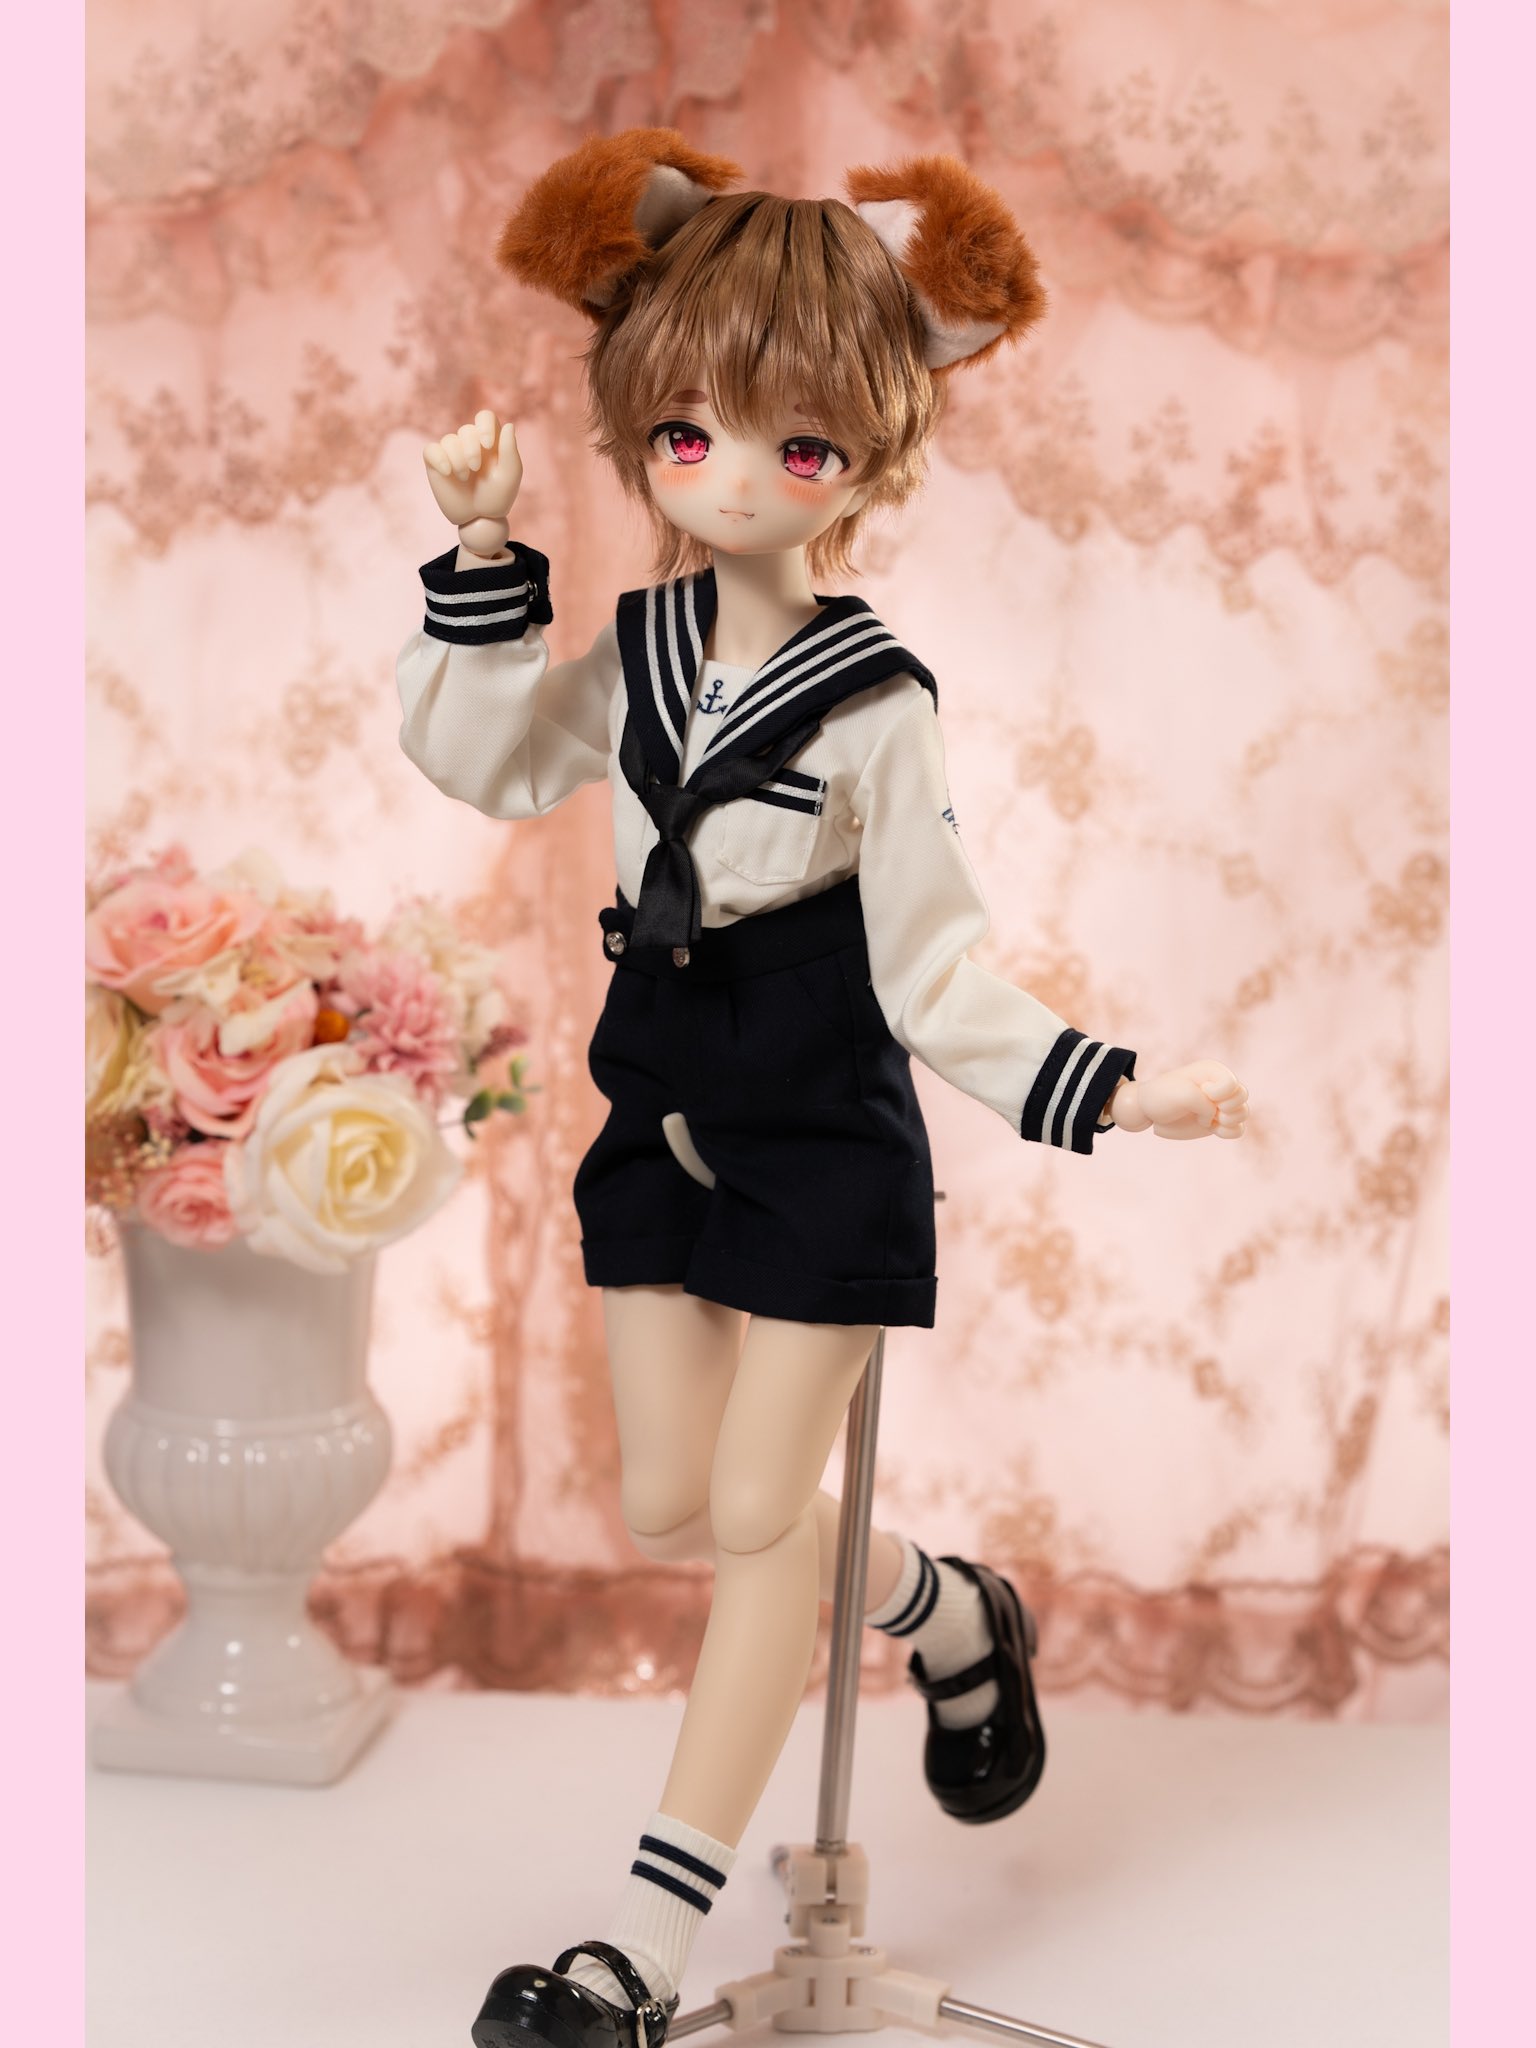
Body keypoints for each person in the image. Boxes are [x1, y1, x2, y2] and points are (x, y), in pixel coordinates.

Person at [395, 129, 1249, 2048]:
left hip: (815, 1133)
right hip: (657, 1108)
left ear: (873, 452)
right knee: (672, 1501)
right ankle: (949, 1611)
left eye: (800, 446)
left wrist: (1113, 1088)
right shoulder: (638, 644)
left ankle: (636, 1951)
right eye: (688, 433)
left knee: (758, 1521)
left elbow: (932, 961)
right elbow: (492, 760)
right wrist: (479, 561)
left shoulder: (878, 700)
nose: (732, 477)